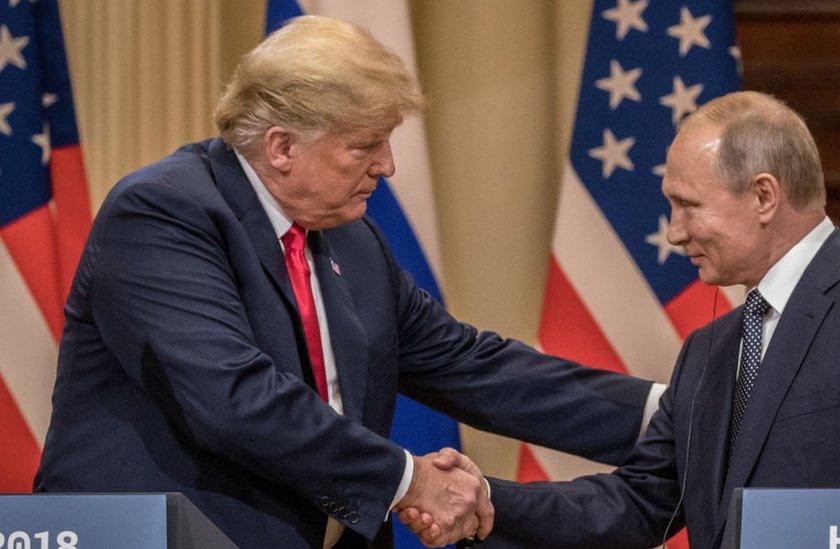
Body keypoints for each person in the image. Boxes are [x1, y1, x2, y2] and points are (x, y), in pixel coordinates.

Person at [32, 16, 660, 549]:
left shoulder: (349, 239)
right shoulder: (164, 212)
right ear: (281, 147)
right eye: (366, 145)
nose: (386, 166)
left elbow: (470, 364)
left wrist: (670, 411)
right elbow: (234, 397)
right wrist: (410, 479)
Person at [402, 90, 840, 548]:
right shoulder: (713, 348)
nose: (675, 232)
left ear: (764, 196)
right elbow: (637, 504)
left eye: (689, 206)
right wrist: (483, 501)